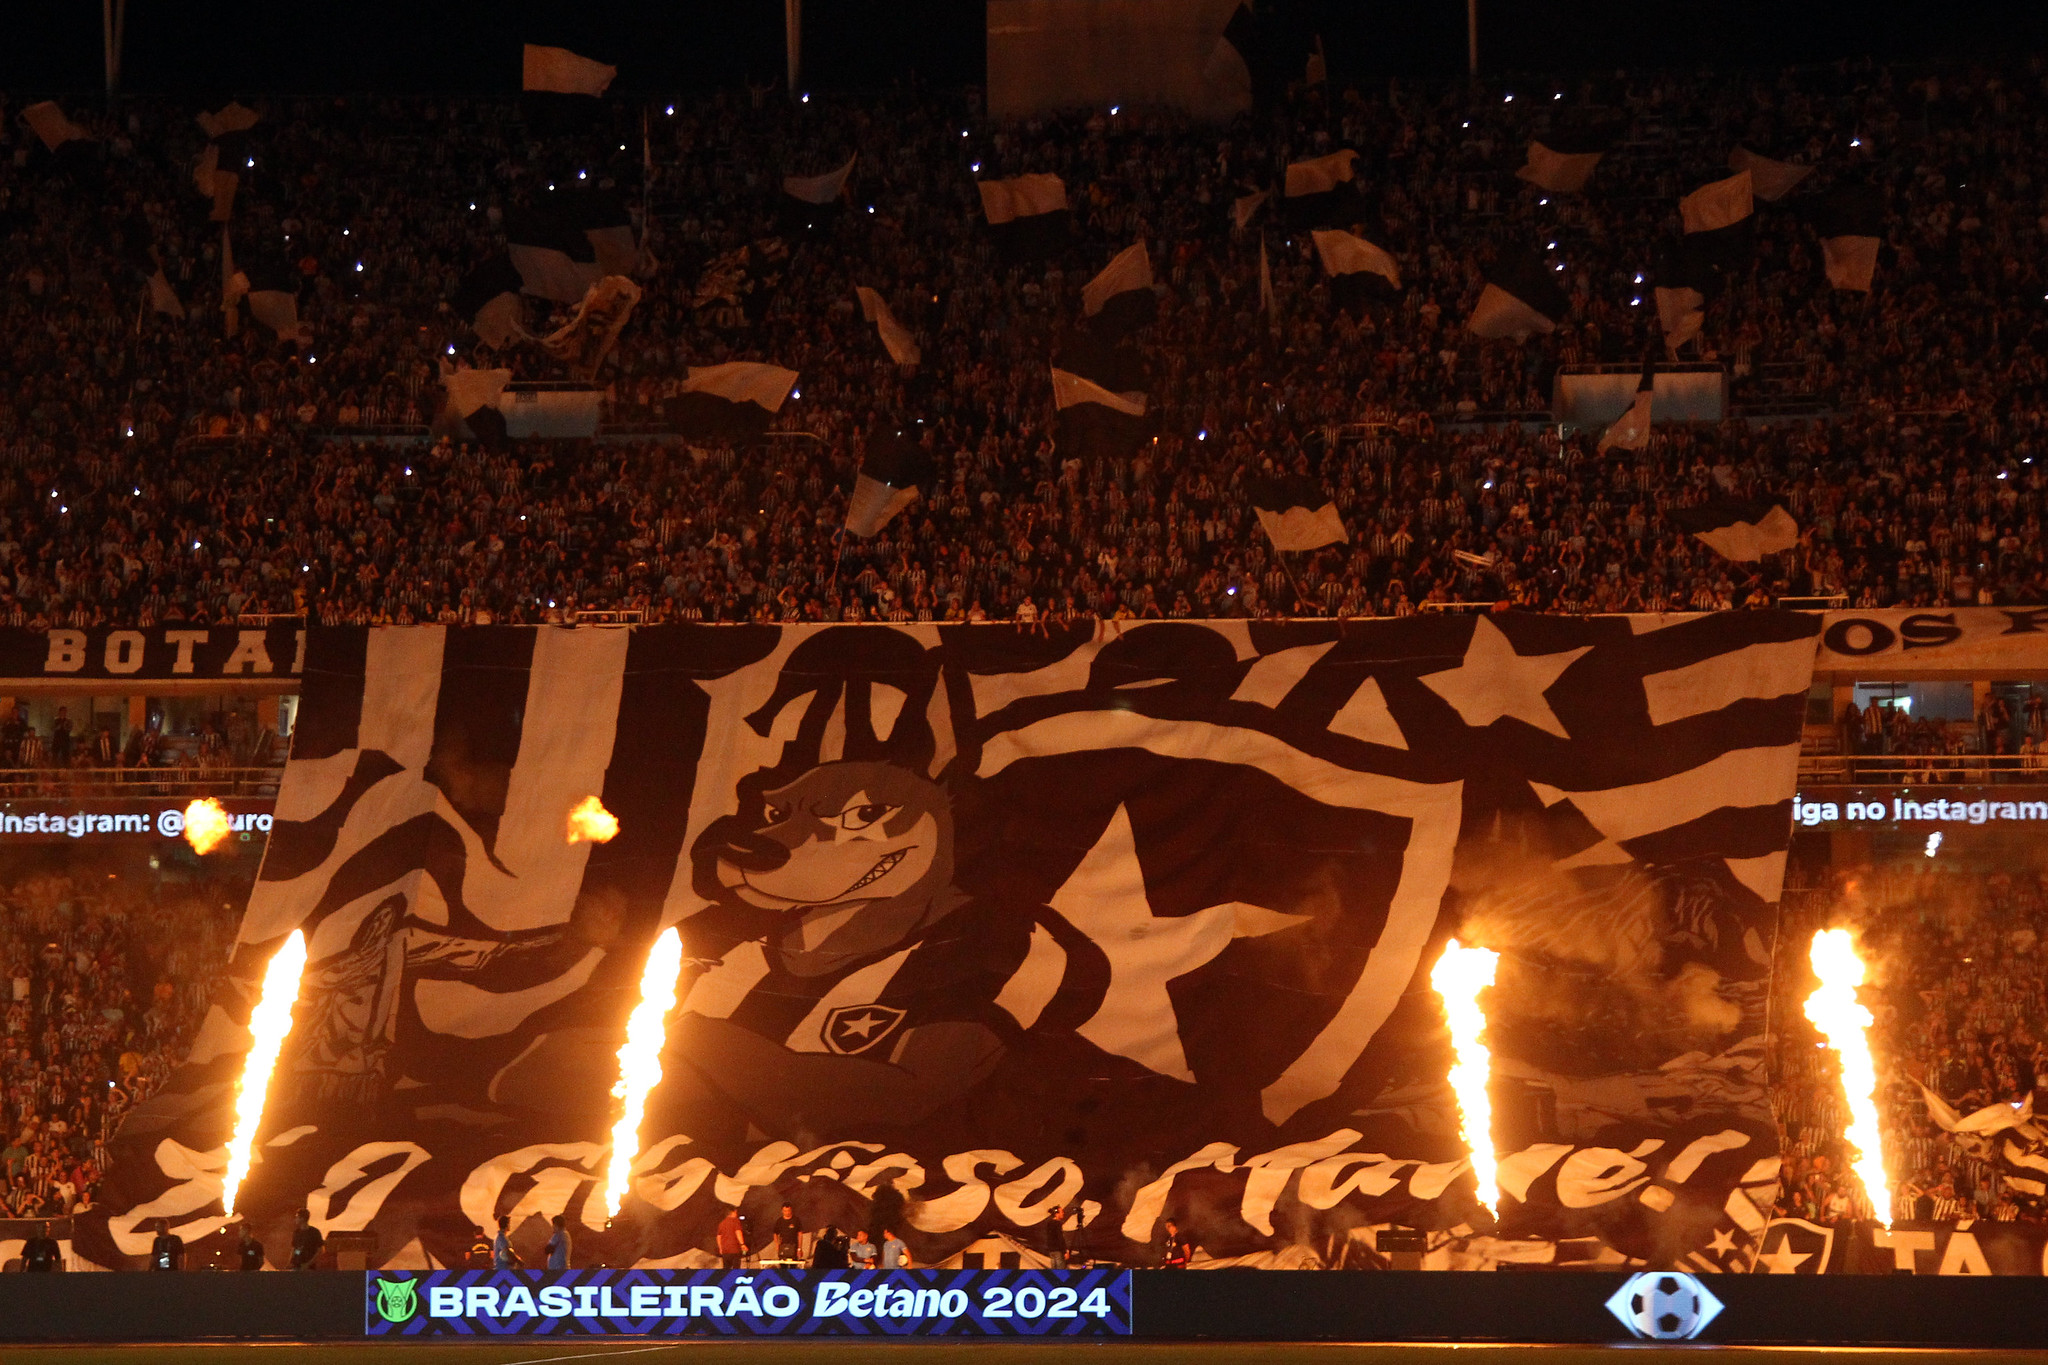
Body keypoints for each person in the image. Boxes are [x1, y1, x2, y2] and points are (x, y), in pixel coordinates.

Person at [715, 1206, 746, 1270]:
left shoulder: (722, 1223)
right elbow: (738, 1232)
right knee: (736, 1269)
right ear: (732, 1212)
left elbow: (718, 1237)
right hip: (734, 1249)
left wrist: (720, 1248)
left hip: (725, 1250)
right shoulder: (735, 1221)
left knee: (726, 1269)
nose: (736, 1214)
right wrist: (742, 1244)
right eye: (736, 1212)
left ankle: (726, 1279)